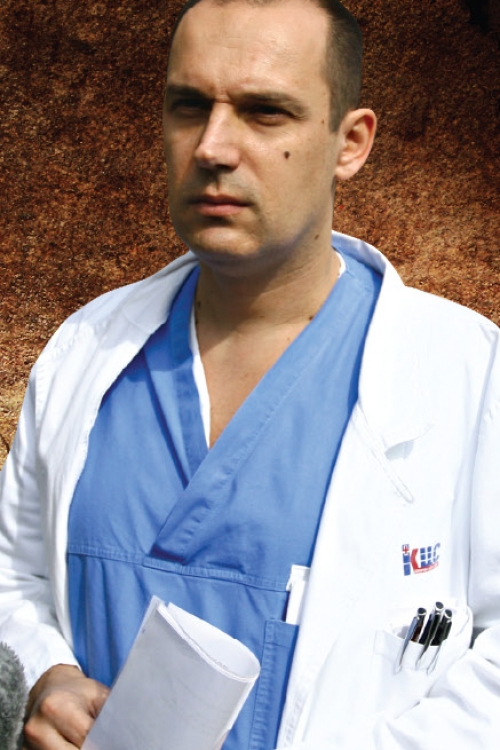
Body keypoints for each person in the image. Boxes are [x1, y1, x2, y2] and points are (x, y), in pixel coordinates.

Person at [0, 0, 499, 748]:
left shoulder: (470, 374)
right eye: (188, 106)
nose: (212, 147)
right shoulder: (87, 349)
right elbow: (15, 577)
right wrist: (47, 677)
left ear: (350, 143)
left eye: (265, 112)